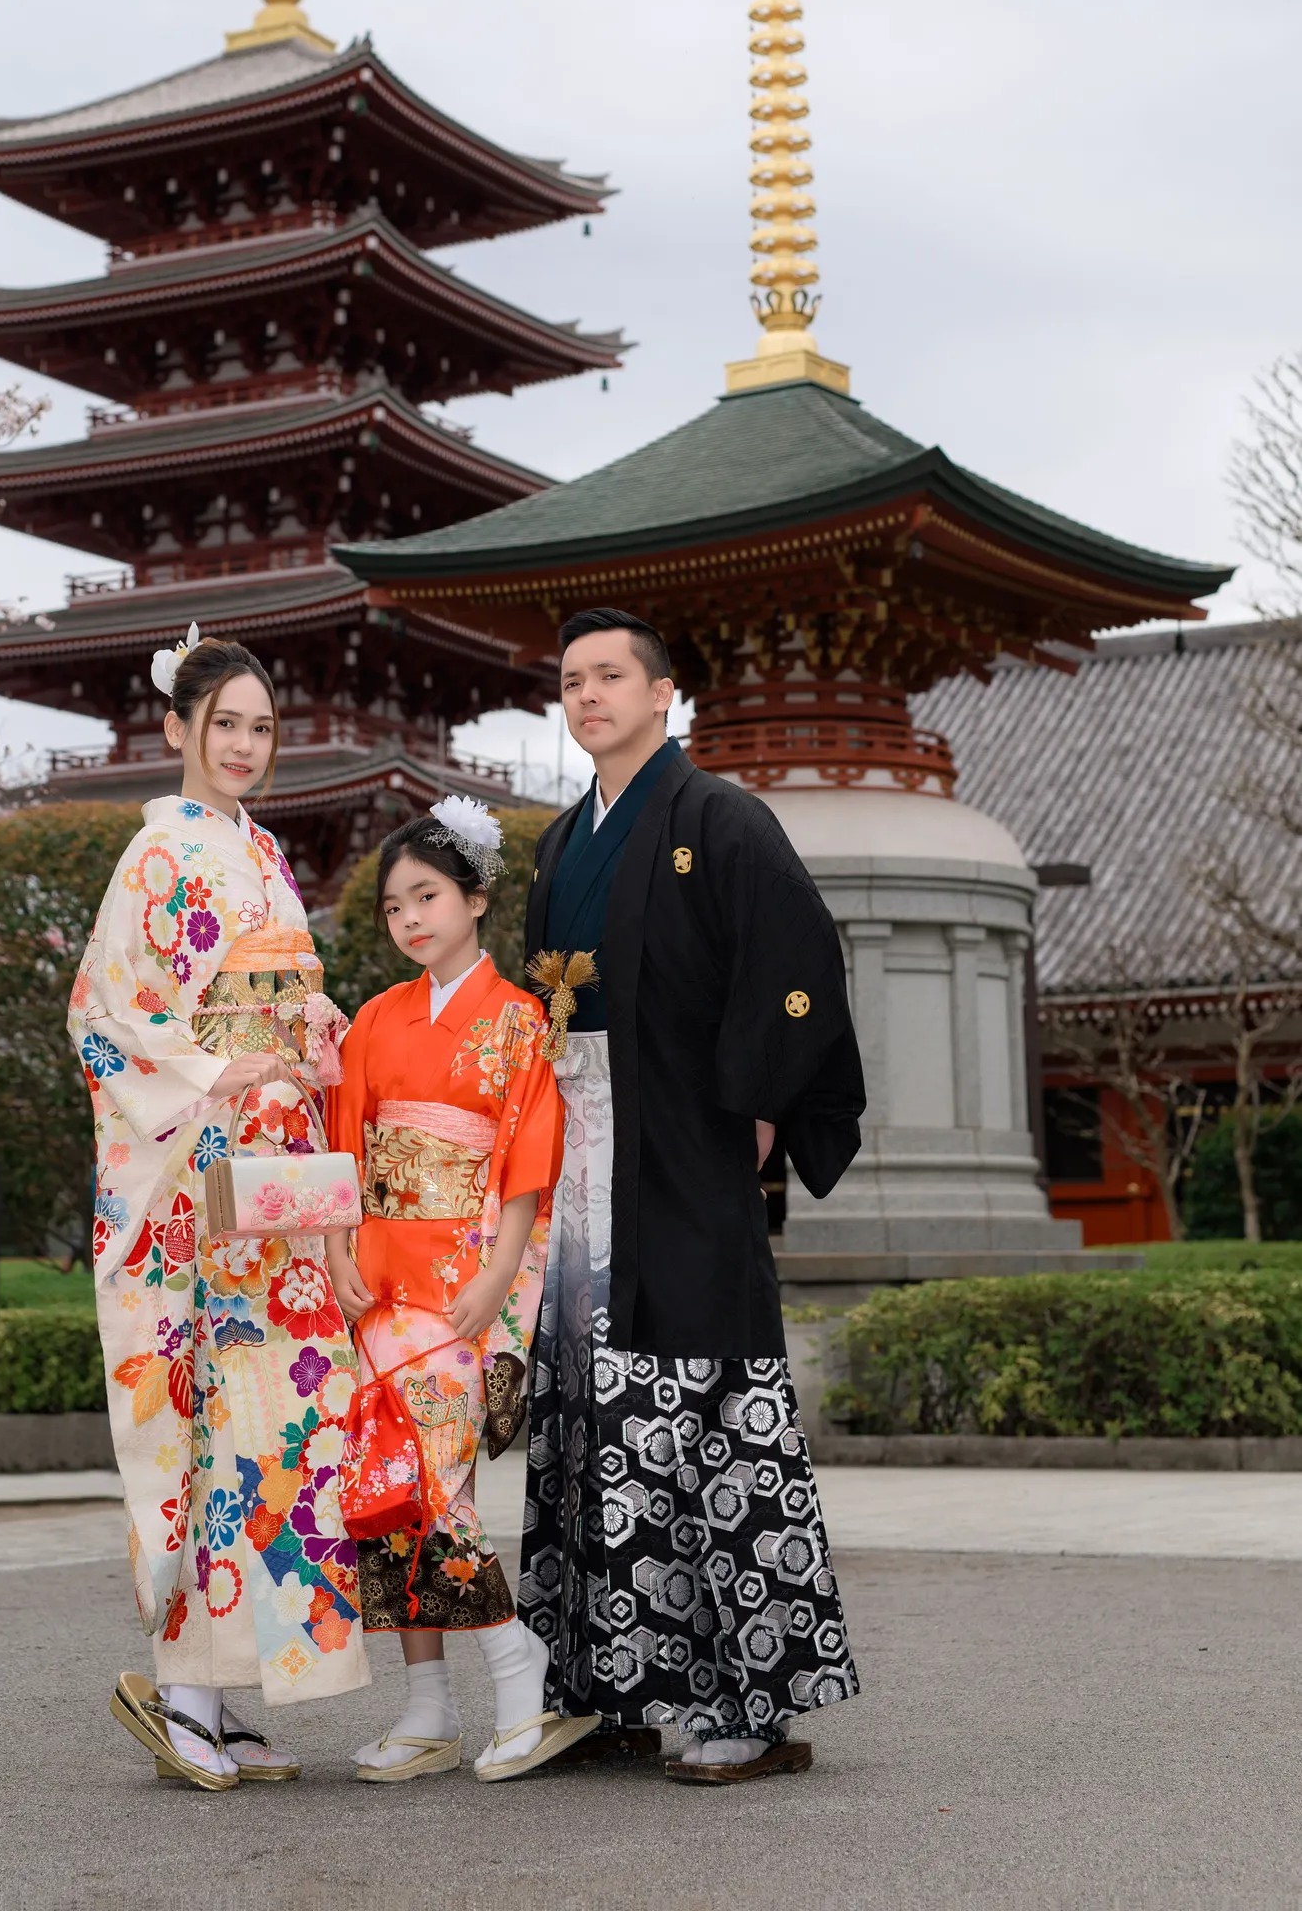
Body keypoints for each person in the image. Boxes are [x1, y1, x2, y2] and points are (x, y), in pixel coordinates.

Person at [516, 607, 866, 1785]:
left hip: (684, 1152)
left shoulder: (718, 816)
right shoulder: (563, 841)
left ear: (665, 693)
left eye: (611, 675)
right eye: (571, 681)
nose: (589, 695)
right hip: (581, 1154)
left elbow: (800, 963)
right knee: (597, 1422)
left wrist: (756, 1108)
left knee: (705, 1421)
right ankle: (616, 1687)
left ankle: (750, 1700)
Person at [69, 628, 369, 1791]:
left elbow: (277, 993)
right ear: (178, 731)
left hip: (277, 1177)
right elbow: (105, 1017)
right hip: (195, 1185)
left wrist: (311, 1028)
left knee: (280, 1425)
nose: (244, 746)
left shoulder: (266, 851)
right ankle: (183, 1683)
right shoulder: (157, 858)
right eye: (224, 725)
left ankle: (233, 1687)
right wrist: (212, 1073)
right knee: (199, 1415)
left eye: (261, 727)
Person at [326, 800, 578, 1784]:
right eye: (394, 906)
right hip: (383, 1277)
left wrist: (500, 1274)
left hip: (467, 1272)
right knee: (388, 1493)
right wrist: (339, 1243)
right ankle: (428, 1707)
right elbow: (347, 1143)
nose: (411, 918)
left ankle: (519, 1670)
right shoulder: (377, 1020)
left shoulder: (517, 1019)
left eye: (428, 896)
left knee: (439, 1484)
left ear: (476, 898)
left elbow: (527, 1159)